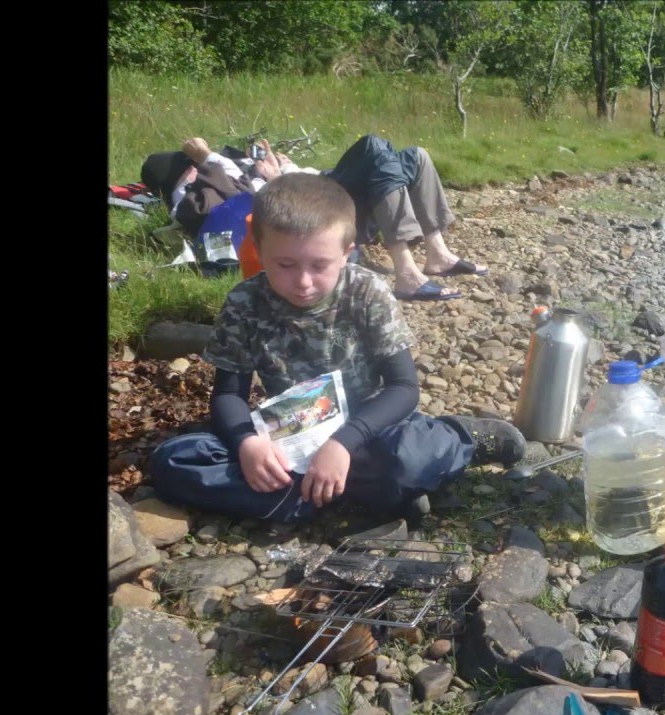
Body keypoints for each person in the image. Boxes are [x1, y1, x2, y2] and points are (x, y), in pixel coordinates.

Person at [148, 173, 525, 523]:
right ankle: (356, 493)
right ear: (258, 249)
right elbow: (229, 394)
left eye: (320, 265)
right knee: (175, 460)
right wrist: (247, 444)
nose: (303, 281)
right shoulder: (245, 302)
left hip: (366, 425)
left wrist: (342, 444)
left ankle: (460, 438)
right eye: (285, 264)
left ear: (348, 252)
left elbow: (403, 388)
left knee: (411, 458)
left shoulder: (366, 292)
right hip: (290, 431)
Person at [142, 134, 486, 302]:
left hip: (324, 183)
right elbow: (265, 203)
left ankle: (437, 253)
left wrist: (284, 164)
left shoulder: (237, 165)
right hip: (317, 203)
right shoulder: (195, 186)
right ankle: (407, 272)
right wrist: (273, 177)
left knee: (416, 156)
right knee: (374, 147)